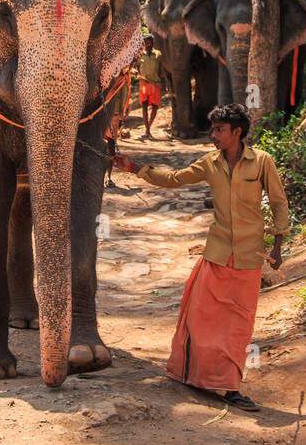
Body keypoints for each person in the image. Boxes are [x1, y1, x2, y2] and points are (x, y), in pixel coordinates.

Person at [113, 103, 289, 413]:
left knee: (238, 325)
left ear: (237, 132)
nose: (214, 136)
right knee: (200, 318)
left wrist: (277, 246)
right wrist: (135, 167)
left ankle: (230, 387)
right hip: (217, 253)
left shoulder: (262, 162)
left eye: (220, 130)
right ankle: (193, 375)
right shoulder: (210, 163)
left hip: (249, 257)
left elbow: (278, 202)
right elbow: (175, 179)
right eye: (213, 130)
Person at [136, 34, 163, 139]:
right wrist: (136, 73)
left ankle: (148, 128)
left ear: (153, 43)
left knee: (155, 106)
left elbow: (161, 71)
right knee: (144, 105)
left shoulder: (158, 55)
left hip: (155, 84)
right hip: (144, 83)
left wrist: (163, 83)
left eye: (150, 41)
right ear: (143, 43)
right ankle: (147, 130)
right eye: (147, 42)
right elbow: (135, 66)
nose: (149, 44)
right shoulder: (140, 55)